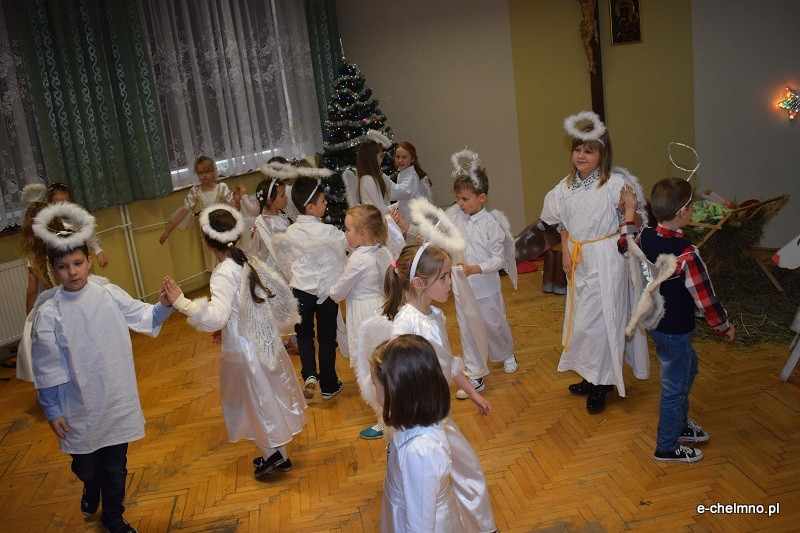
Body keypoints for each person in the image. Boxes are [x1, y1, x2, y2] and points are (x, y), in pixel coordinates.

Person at [29, 202, 173, 533]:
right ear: (53, 269)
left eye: (78, 263)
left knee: (116, 466)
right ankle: (89, 485)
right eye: (63, 266)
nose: (73, 272)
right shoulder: (50, 314)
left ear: (89, 261)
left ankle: (113, 516)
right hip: (78, 403)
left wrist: (164, 306)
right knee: (87, 466)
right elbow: (47, 366)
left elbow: (143, 316)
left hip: (115, 397)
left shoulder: (107, 293)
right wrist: (51, 408)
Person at [162, 204, 307, 477]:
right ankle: (281, 455)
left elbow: (216, 316)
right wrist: (224, 324)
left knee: (254, 402)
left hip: (245, 350)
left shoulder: (222, 273)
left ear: (206, 242)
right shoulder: (244, 260)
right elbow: (241, 306)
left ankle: (272, 454)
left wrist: (181, 301)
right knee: (268, 396)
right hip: (263, 341)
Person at [618, 178, 735, 463]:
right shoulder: (686, 254)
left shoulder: (644, 236)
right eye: (693, 207)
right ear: (684, 213)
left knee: (688, 367)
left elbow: (623, 244)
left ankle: (680, 426)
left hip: (655, 323)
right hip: (675, 329)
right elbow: (706, 299)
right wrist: (724, 326)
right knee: (674, 387)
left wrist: (628, 214)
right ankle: (667, 446)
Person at [540, 110, 648, 414]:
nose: (582, 155)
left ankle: (603, 383)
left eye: (589, 150)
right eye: (578, 149)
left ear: (602, 153)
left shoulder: (615, 184)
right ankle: (591, 374)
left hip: (607, 260)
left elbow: (636, 221)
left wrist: (631, 208)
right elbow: (560, 223)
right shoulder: (564, 188)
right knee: (583, 322)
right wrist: (564, 251)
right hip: (579, 259)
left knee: (604, 320)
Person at [384, 243, 496, 532]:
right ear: (419, 284)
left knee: (467, 472)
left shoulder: (434, 315)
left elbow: (448, 362)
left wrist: (472, 393)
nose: (450, 282)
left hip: (439, 416)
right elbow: (392, 375)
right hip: (422, 423)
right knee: (448, 482)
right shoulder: (405, 326)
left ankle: (480, 526)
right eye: (444, 278)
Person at [373, 334, 478, 532]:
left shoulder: (420, 452)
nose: (373, 389)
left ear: (395, 390)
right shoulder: (413, 425)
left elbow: (420, 524)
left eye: (375, 384)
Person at [272, 176, 348, 401]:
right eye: (323, 201)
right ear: (311, 208)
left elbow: (285, 258)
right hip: (325, 293)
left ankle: (309, 375)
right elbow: (345, 247)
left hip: (301, 291)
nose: (327, 204)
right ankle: (329, 385)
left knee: (304, 335)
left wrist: (296, 275)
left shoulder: (292, 231)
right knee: (326, 339)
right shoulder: (329, 232)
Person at [447, 164, 518, 401]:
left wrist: (475, 269)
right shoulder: (457, 218)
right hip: (462, 286)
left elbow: (499, 259)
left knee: (494, 325)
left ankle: (506, 353)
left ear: (482, 197)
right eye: (458, 198)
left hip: (486, 287)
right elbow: (437, 234)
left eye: (465, 199)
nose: (460, 204)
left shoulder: (490, 224)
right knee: (467, 330)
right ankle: (475, 373)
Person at [329, 205, 392, 439]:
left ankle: (383, 419)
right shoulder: (380, 251)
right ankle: (388, 412)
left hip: (364, 314)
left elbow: (339, 292)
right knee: (380, 363)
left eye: (348, 229)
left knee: (370, 367)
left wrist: (328, 289)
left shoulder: (358, 259)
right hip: (379, 307)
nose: (345, 233)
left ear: (363, 233)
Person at [159, 156, 239, 271]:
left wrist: (236, 200)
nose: (204, 175)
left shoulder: (221, 188)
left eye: (207, 172)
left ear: (213, 171)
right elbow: (184, 211)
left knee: (227, 258)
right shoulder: (195, 191)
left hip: (222, 229)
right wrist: (167, 231)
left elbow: (236, 209)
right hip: (207, 230)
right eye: (200, 173)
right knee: (213, 261)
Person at [46, 182, 108, 268]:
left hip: (80, 261)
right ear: (50, 204)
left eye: (66, 203)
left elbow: (89, 236)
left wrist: (99, 251)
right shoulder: (50, 224)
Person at [387, 142, 432, 222]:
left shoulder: (411, 175)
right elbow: (402, 199)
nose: (400, 160)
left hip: (414, 219)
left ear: (412, 159)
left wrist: (382, 177)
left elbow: (403, 192)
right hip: (407, 216)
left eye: (404, 157)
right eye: (397, 157)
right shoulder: (402, 174)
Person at [356, 140, 392, 214]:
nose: (381, 160)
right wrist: (393, 212)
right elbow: (380, 206)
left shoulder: (368, 178)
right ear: (372, 158)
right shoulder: (368, 179)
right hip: (375, 222)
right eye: (380, 156)